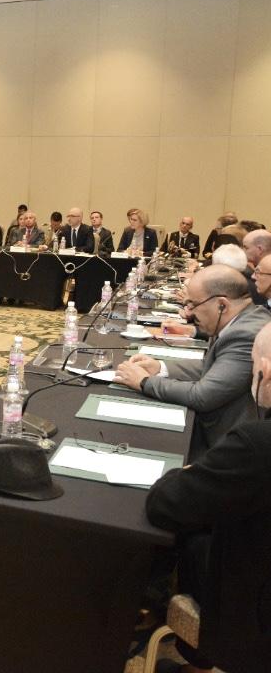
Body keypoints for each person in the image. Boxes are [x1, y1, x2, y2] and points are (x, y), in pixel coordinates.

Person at [145, 321, 271, 673]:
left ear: (265, 372)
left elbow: (165, 504)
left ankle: (191, 652)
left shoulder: (257, 445)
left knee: (189, 539)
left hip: (253, 618)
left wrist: (186, 473)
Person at [114, 265, 271, 459]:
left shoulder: (245, 334)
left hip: (225, 446)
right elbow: (213, 367)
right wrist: (161, 367)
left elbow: (203, 396)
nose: (189, 313)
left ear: (222, 305)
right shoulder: (246, 317)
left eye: (193, 304)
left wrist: (144, 381)